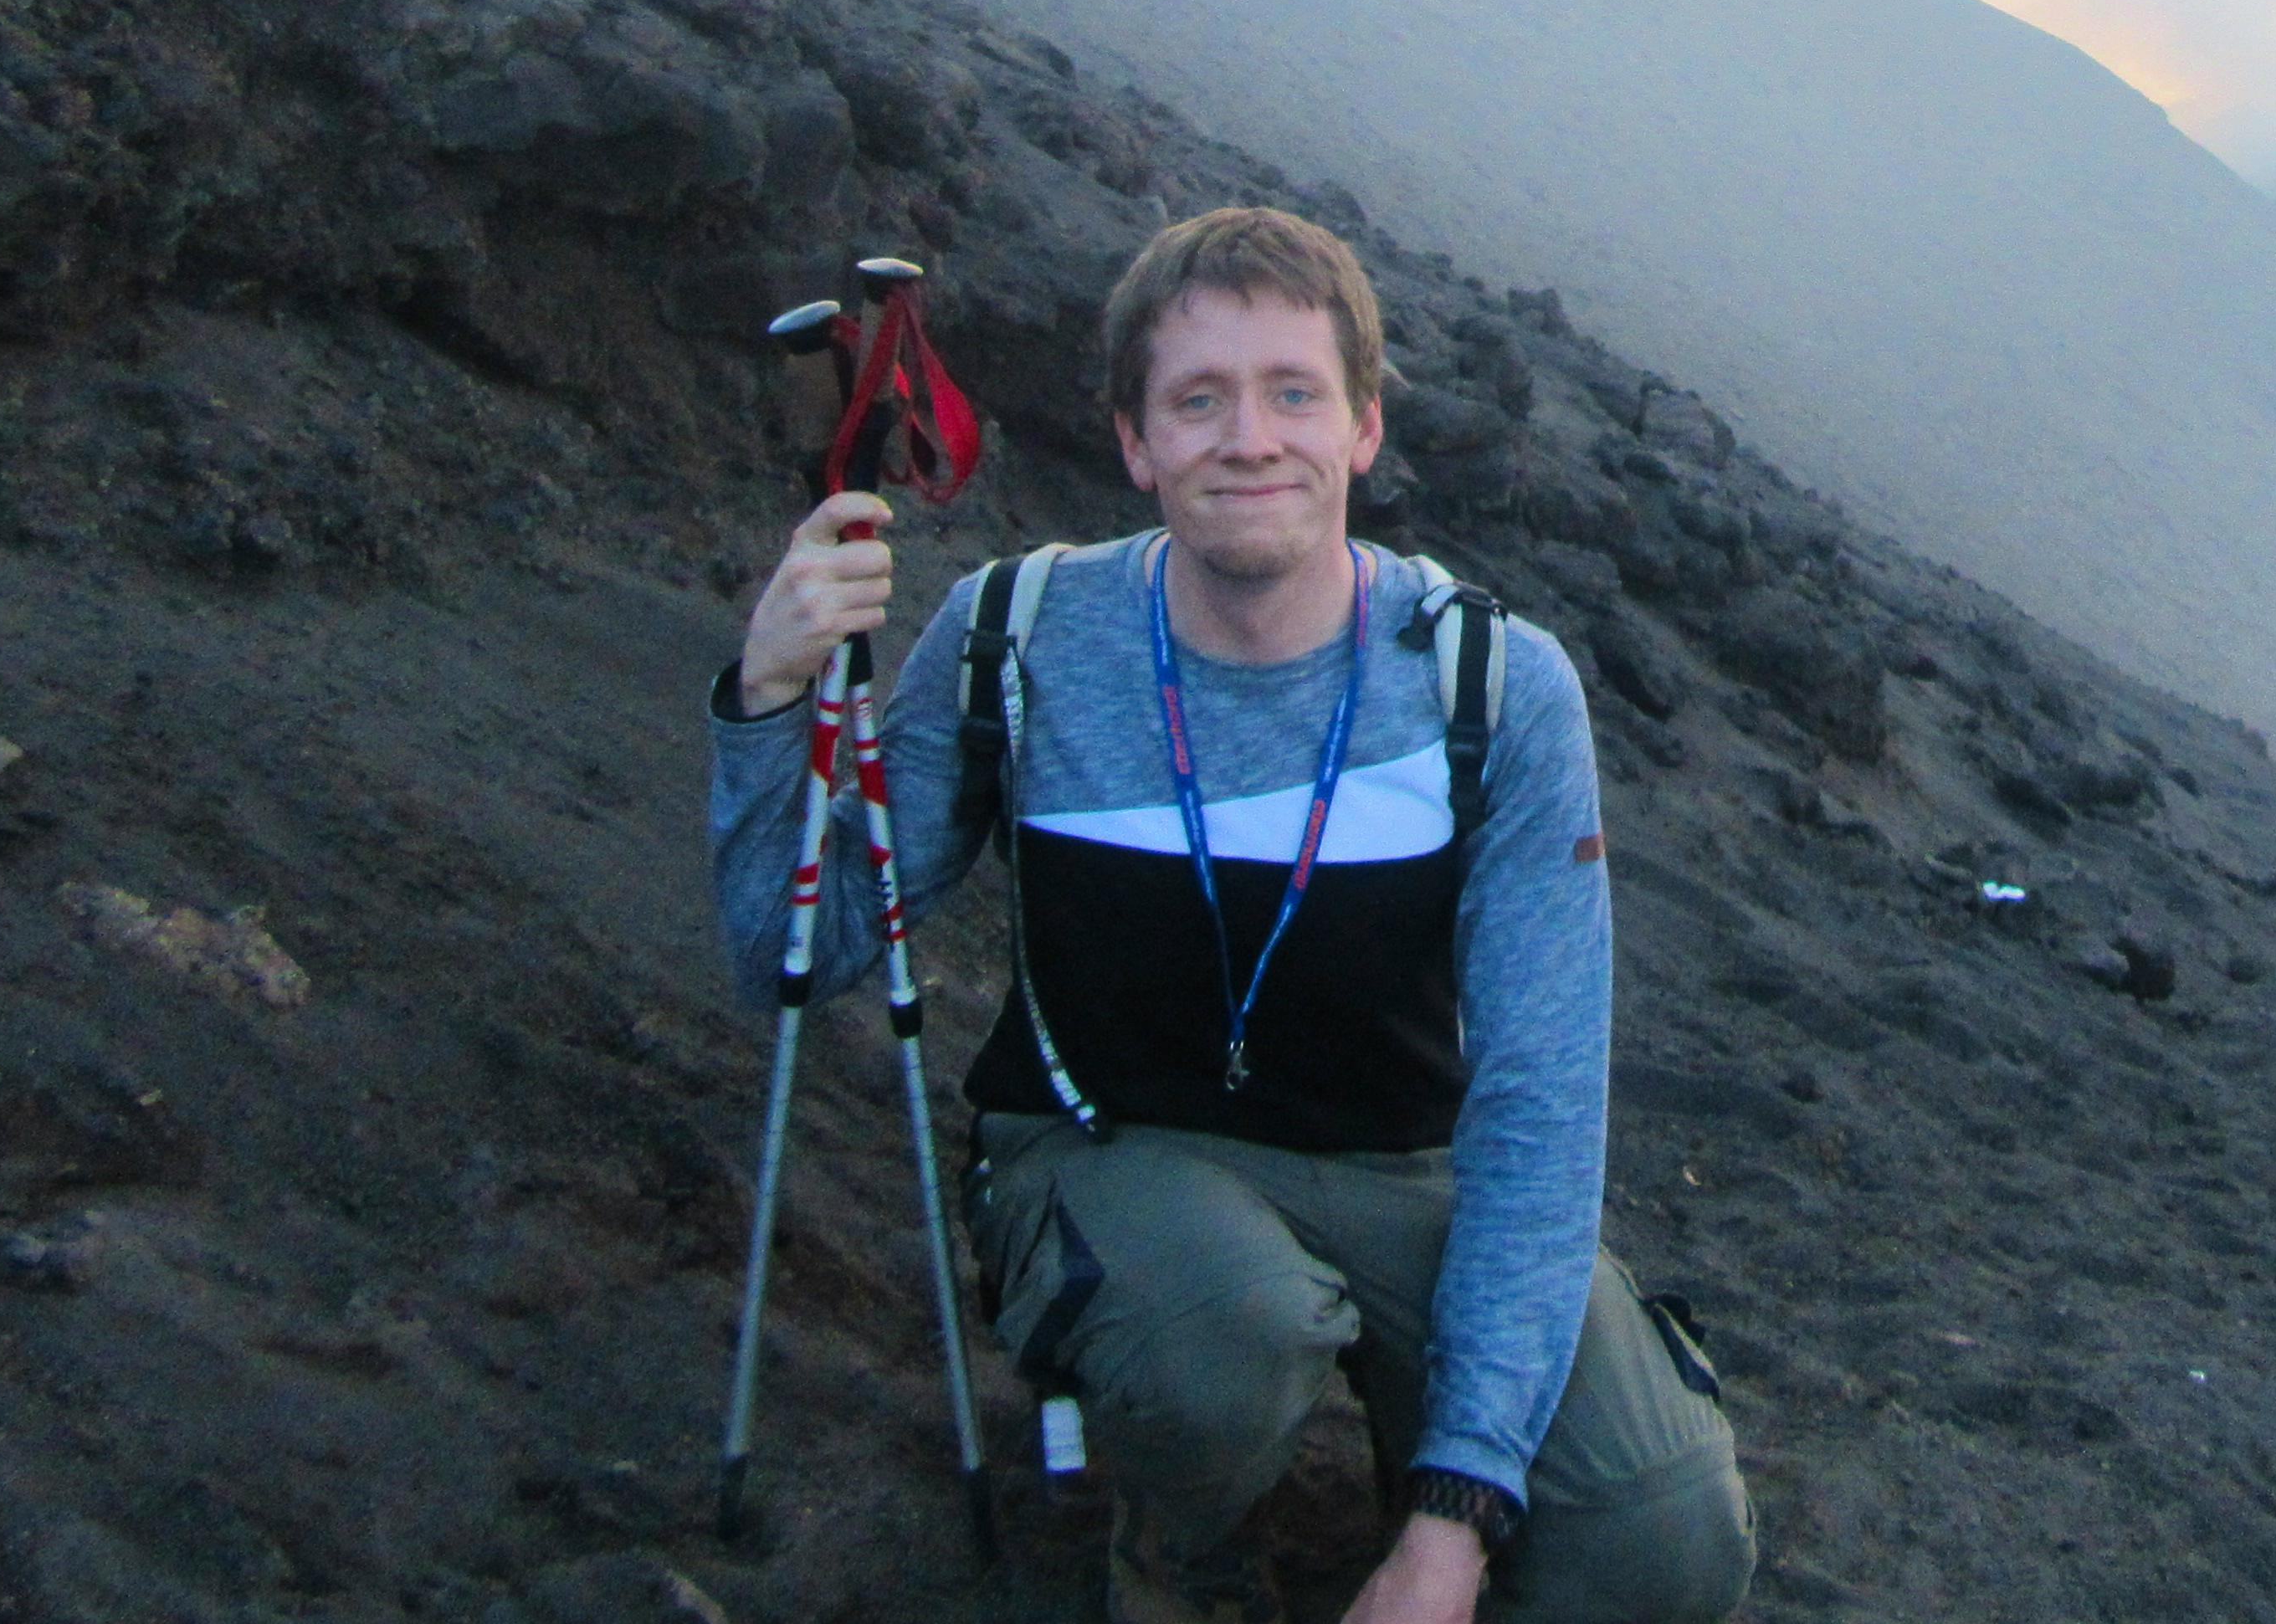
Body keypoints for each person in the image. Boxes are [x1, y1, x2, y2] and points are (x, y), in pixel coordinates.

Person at [710, 206, 1754, 1624]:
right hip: (1106, 1141)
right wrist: (769, 697)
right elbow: (804, 942)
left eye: (1291, 394)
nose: (1247, 438)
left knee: (1661, 1538)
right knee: (1222, 1348)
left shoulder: (1496, 692)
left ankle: (1409, 1478)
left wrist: (1455, 1516)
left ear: (1364, 428)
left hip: (1401, 1164)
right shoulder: (1014, 641)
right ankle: (1174, 1541)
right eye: (1196, 400)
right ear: (1135, 443)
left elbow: (1541, 1104)